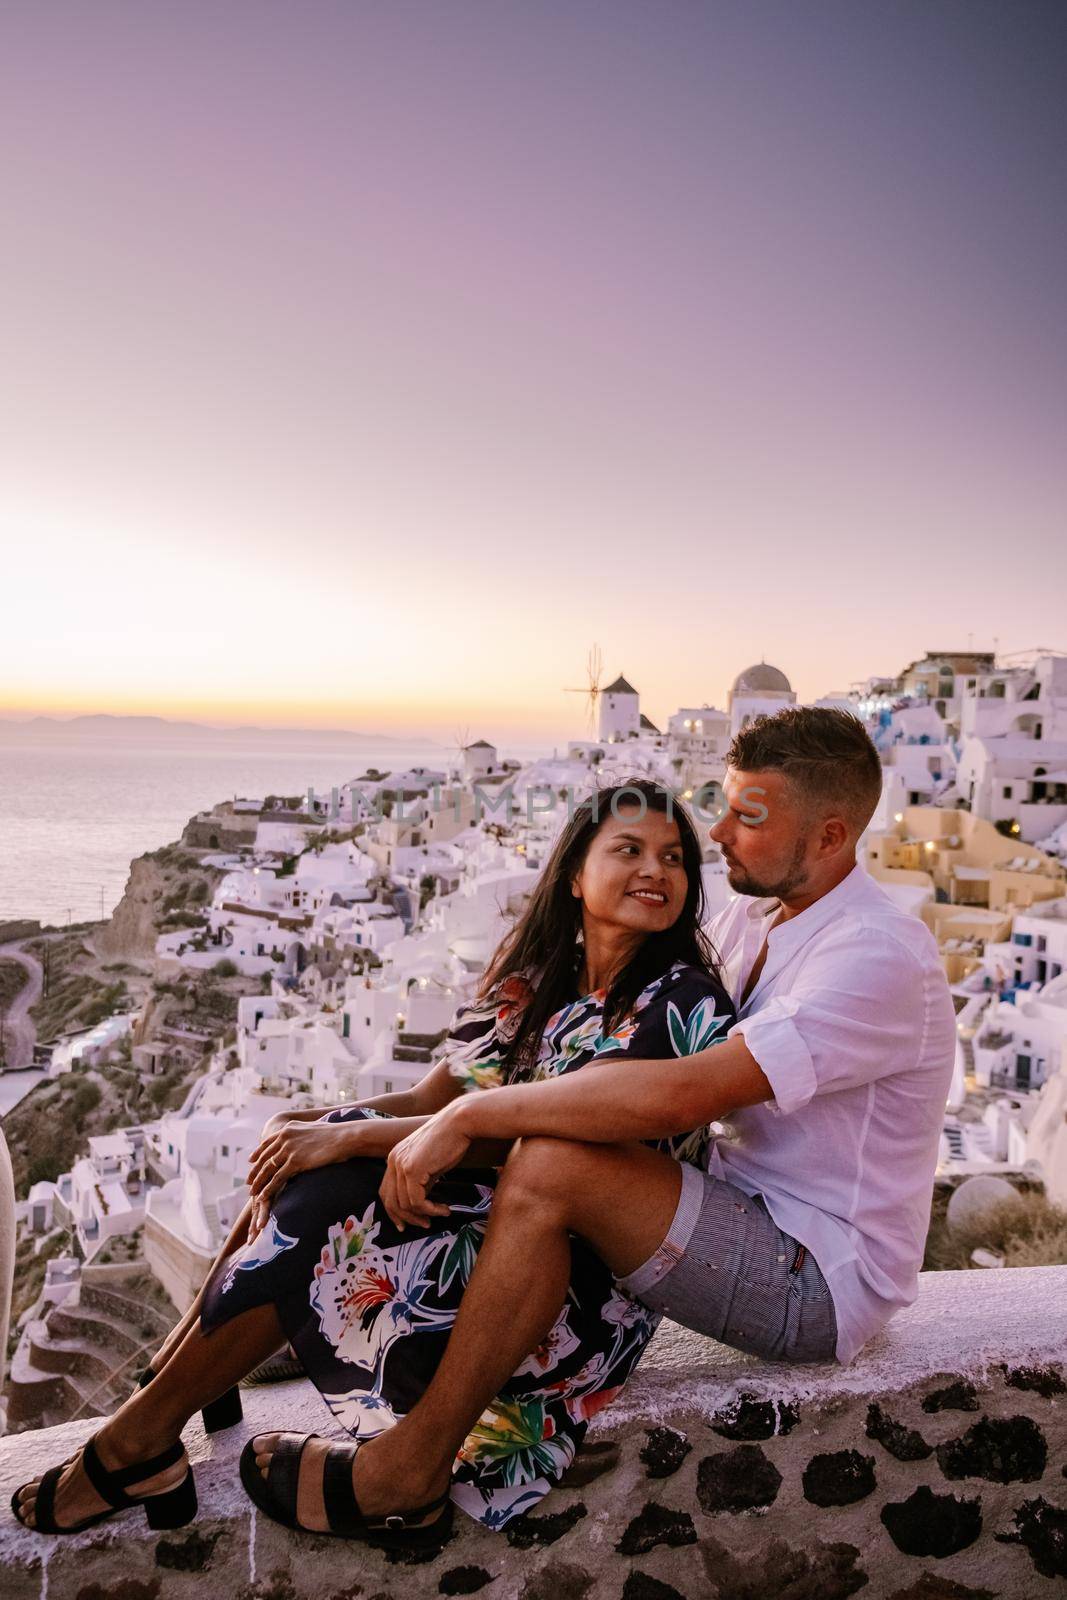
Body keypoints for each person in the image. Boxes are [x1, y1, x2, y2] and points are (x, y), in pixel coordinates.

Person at [12, 779, 734, 1543]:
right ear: (572, 874)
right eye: (629, 850)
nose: (657, 870)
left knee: (334, 1180)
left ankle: (135, 1440)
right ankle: (173, 1390)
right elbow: (434, 1096)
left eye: (674, 858)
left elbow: (550, 1142)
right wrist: (319, 1126)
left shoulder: (678, 1001)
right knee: (308, 1144)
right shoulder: (536, 982)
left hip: (552, 1281)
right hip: (475, 1226)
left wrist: (349, 1138)